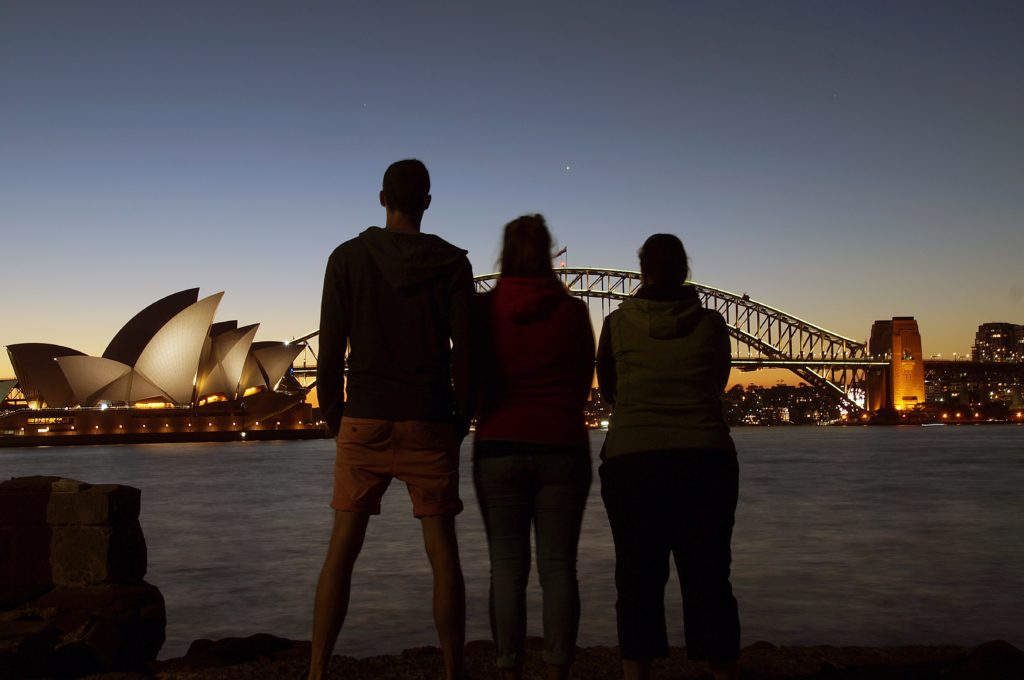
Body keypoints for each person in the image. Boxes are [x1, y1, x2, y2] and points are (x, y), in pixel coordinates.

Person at [309, 159, 475, 680]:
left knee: (343, 549)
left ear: (382, 199)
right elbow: (468, 351)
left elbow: (330, 347)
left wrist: (336, 415)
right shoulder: (452, 264)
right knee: (442, 551)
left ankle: (317, 670)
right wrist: (460, 419)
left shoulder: (347, 258)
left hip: (365, 417)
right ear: (427, 201)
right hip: (428, 417)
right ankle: (453, 671)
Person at [596, 233, 740, 680]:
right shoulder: (712, 324)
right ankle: (722, 672)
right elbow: (716, 380)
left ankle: (637, 674)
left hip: (632, 462)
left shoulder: (617, 323)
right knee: (710, 576)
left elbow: (609, 389)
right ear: (685, 271)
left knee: (637, 579)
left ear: (643, 272)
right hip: (705, 459)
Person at [473, 215, 595, 680]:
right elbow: (584, 381)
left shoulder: (483, 310)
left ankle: (508, 667)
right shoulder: (574, 312)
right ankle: (558, 669)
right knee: (559, 567)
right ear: (549, 252)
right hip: (562, 446)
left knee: (506, 567)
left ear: (504, 253)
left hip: (497, 444)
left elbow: (472, 373)